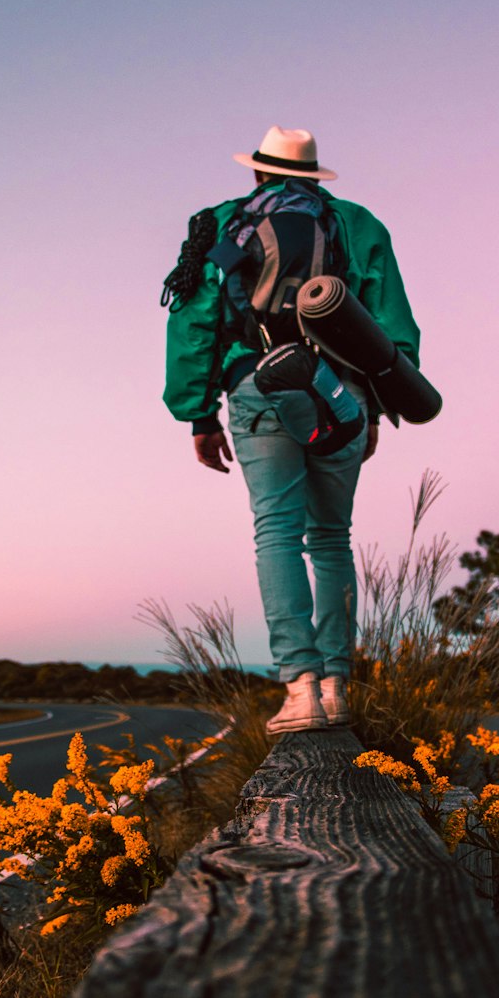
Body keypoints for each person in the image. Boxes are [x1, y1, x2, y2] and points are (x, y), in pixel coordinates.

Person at [162, 126, 420, 733]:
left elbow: (196, 315)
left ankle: (299, 689)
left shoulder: (225, 226)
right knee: (331, 538)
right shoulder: (358, 226)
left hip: (259, 387)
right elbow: (391, 324)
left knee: (276, 531)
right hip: (343, 391)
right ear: (313, 175)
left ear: (257, 173)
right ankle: (337, 688)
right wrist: (376, 406)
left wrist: (197, 412)